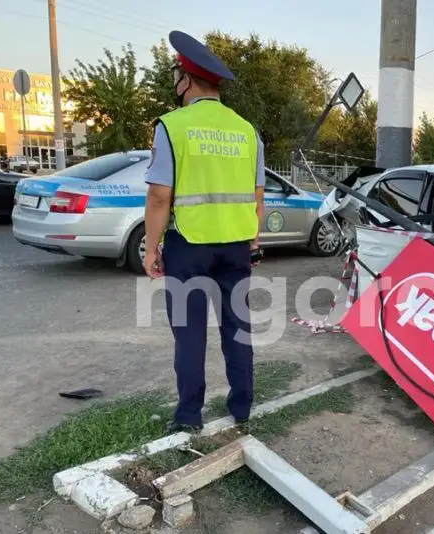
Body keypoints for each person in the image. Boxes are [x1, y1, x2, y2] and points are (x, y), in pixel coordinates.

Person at [143, 30, 265, 434]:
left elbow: (161, 197)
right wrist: (252, 238)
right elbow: (256, 195)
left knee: (190, 332)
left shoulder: (173, 126)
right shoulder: (247, 130)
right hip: (235, 246)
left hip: (188, 245)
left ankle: (189, 415)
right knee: (238, 328)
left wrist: (151, 248)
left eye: (176, 76)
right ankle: (243, 407)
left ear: (187, 80)